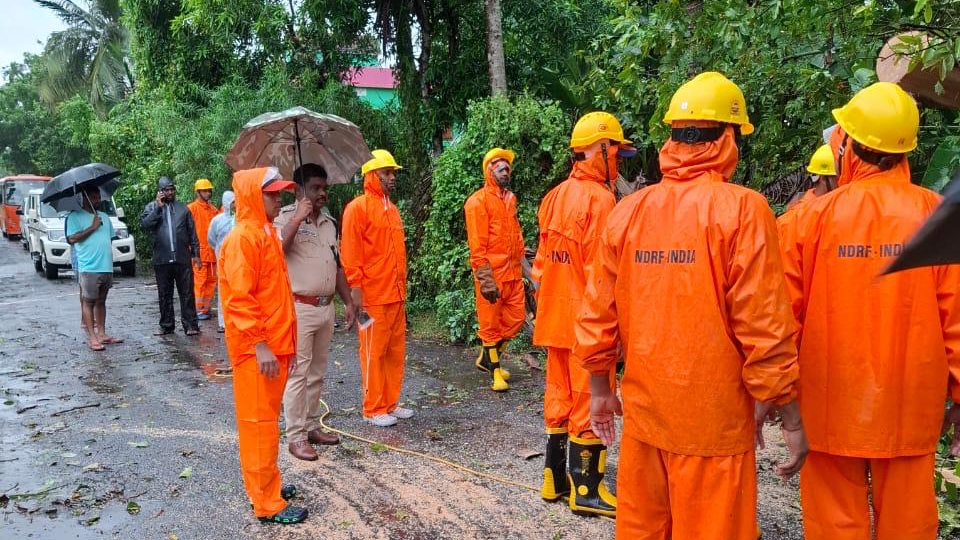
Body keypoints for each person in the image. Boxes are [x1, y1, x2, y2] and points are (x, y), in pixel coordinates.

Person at [574, 72, 809, 540]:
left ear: (673, 140)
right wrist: (791, 417)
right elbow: (764, 327)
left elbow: (597, 313)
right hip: (713, 430)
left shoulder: (630, 211)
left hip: (645, 423)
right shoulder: (743, 210)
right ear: (727, 139)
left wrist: (600, 391)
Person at [780, 82, 960, 540]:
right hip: (911, 412)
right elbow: (957, 320)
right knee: (909, 527)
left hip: (828, 411)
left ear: (849, 147)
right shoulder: (936, 216)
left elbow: (782, 321)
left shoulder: (809, 220)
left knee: (834, 527)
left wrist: (777, 400)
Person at [531, 111, 630, 517]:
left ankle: (554, 479)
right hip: (584, 324)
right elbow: (601, 274)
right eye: (617, 153)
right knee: (590, 400)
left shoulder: (553, 196)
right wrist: (613, 327)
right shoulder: (601, 200)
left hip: (553, 316)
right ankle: (586, 488)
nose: (619, 161)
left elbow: (540, 264)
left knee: (558, 399)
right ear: (599, 150)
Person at [219, 166, 307, 525]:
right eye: (271, 194)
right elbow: (240, 300)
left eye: (279, 193)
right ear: (254, 197)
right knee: (258, 424)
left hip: (274, 346)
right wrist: (260, 344)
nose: (278, 199)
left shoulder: (266, 233)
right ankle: (266, 503)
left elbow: (274, 295)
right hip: (258, 351)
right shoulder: (243, 239)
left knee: (267, 423)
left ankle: (266, 485)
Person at [277, 163, 356, 460]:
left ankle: (311, 426)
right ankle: (295, 436)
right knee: (298, 373)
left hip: (325, 310)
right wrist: (298, 217)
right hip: (299, 308)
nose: (322, 193)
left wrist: (347, 301)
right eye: (315, 188)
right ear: (299, 191)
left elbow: (336, 265)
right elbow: (277, 250)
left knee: (317, 372)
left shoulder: (329, 222)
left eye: (325, 188)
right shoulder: (284, 218)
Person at [341, 149, 411, 428]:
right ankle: (373, 407)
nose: (392, 177)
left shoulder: (391, 209)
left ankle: (390, 402)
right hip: (372, 296)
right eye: (386, 173)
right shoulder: (357, 208)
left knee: (394, 352)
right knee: (373, 351)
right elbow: (351, 253)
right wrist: (356, 291)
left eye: (393, 172)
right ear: (372, 175)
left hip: (395, 295)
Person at [463, 148, 525, 392]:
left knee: (517, 319)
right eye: (500, 167)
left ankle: (487, 358)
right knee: (489, 325)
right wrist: (485, 277)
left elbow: (515, 233)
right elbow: (477, 244)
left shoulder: (510, 199)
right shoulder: (477, 202)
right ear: (489, 171)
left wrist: (524, 259)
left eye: (507, 167)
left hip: (513, 272)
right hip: (492, 274)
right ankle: (496, 371)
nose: (505, 171)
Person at [139, 177, 201, 336]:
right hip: (162, 259)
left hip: (182, 258)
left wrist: (196, 254)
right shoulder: (152, 207)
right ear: (160, 191)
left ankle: (191, 325)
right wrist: (158, 209)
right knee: (164, 293)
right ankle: (167, 325)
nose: (170, 192)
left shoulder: (183, 209)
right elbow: (144, 225)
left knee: (187, 292)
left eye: (172, 189)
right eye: (166, 190)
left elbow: (192, 233)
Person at [66, 186, 120, 351]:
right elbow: (71, 239)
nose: (97, 200)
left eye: (98, 197)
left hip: (106, 267)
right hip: (89, 267)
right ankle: (92, 338)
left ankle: (102, 334)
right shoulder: (74, 217)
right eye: (94, 197)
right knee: (88, 302)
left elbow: (108, 239)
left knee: (101, 301)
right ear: (84, 198)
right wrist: (92, 227)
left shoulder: (104, 216)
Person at [187, 178, 220, 320]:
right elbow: (186, 231)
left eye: (209, 190)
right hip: (198, 253)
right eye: (205, 191)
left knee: (211, 281)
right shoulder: (191, 209)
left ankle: (205, 309)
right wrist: (191, 252)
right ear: (198, 192)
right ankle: (198, 309)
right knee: (199, 282)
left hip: (212, 253)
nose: (208, 193)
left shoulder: (213, 210)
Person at [207, 190, 236, 333]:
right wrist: (220, 250)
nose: (234, 205)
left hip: (239, 259)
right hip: (223, 259)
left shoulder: (241, 218)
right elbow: (211, 239)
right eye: (232, 202)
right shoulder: (217, 220)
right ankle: (223, 322)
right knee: (223, 290)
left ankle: (237, 320)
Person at [783, 144, 837, 212]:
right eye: (838, 177)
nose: (843, 180)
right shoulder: (801, 211)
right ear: (823, 178)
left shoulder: (830, 202)